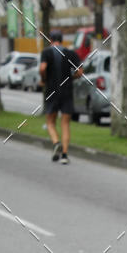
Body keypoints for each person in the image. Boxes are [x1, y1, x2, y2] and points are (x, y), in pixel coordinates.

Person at [39, 31, 83, 165]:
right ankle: (64, 154)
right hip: (66, 92)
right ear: (62, 40)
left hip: (51, 92)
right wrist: (71, 78)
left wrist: (44, 78)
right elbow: (80, 71)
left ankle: (56, 142)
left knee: (50, 122)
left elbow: (43, 67)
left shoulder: (46, 52)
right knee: (65, 124)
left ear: (51, 40)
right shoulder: (70, 53)